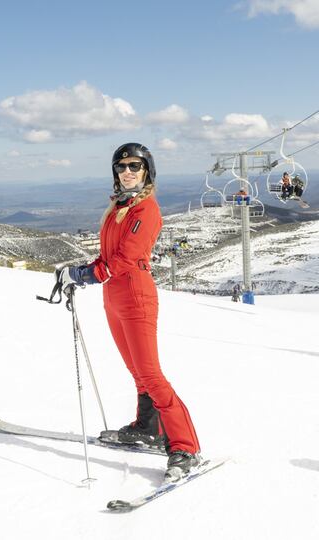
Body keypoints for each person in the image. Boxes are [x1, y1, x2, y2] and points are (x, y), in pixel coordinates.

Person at [57, 143, 201, 481]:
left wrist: (86, 276)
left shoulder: (145, 210)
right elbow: (108, 256)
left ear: (147, 169)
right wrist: (78, 271)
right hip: (114, 298)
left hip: (136, 296)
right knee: (137, 371)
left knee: (151, 374)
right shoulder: (119, 207)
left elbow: (125, 260)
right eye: (121, 167)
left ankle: (184, 446)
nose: (127, 172)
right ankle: (147, 427)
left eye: (134, 166)